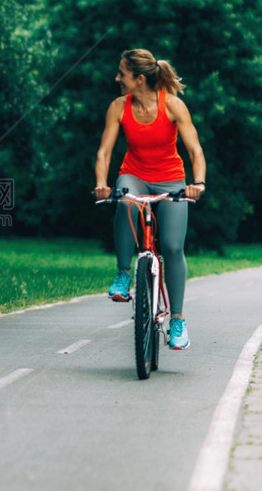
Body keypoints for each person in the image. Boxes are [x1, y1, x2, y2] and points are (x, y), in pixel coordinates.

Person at [93, 49, 206, 350]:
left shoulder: (173, 106)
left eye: (122, 73)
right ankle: (122, 274)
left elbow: (194, 150)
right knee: (126, 200)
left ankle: (178, 321)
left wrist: (198, 183)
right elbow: (105, 151)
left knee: (171, 246)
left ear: (139, 78)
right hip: (135, 174)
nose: (117, 78)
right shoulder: (119, 107)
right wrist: (102, 184)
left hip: (171, 178)